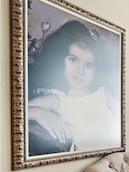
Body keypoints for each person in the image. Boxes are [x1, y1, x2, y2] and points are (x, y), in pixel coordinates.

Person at [27, 20, 119, 155]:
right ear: (60, 59)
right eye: (73, 60)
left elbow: (126, 123)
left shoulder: (103, 93)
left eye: (88, 65)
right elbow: (17, 113)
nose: (80, 71)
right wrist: (39, 113)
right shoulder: (57, 99)